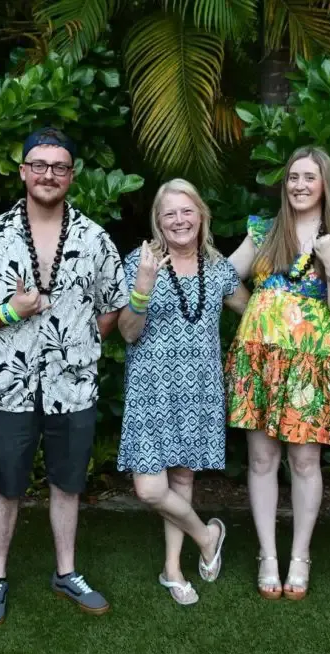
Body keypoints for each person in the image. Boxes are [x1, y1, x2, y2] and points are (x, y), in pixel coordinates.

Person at [0, 127, 128, 626]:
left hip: (72, 384)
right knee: (7, 484)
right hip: (10, 382)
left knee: (68, 482)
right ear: (23, 171)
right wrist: (9, 314)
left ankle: (66, 572)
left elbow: (113, 307)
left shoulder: (95, 238)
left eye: (59, 166)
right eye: (39, 164)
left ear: (71, 175)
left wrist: (77, 340)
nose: (48, 174)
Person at [225, 147, 330, 600]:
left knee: (305, 461)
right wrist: (250, 305)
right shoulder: (265, 231)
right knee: (260, 460)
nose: (299, 185)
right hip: (261, 360)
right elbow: (221, 278)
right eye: (293, 177)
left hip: (311, 362)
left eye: (309, 177)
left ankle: (300, 555)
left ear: (325, 184)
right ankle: (268, 555)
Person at [117, 179, 249, 605]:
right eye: (169, 213)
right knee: (150, 489)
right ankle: (207, 535)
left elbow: (252, 312)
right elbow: (127, 331)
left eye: (187, 211)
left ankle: (172, 568)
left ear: (201, 216)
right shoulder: (142, 261)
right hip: (151, 387)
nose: (179, 220)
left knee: (182, 478)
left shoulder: (218, 268)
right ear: (158, 221)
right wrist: (141, 287)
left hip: (200, 387)